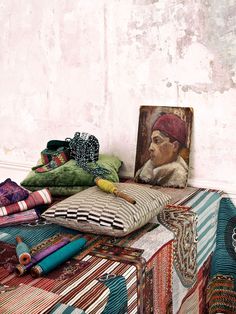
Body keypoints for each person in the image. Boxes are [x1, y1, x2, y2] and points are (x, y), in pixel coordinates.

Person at [135, 113, 188, 188]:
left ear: (175, 146)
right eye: (152, 141)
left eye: (157, 141)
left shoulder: (179, 175)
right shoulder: (144, 171)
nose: (150, 148)